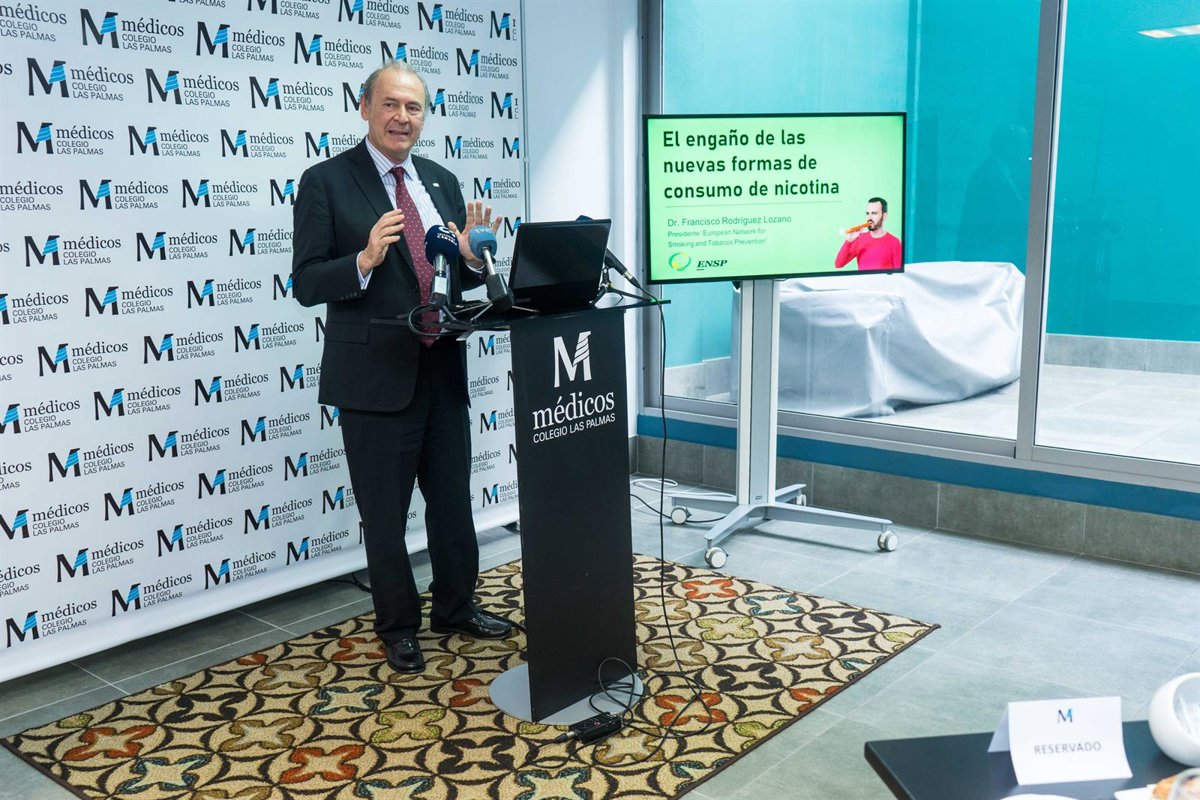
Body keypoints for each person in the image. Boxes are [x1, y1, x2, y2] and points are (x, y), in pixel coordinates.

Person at [291, 61, 511, 675]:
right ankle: (398, 626)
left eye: (413, 107)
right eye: (390, 104)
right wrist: (362, 260)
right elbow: (306, 282)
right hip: (375, 379)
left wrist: (471, 259)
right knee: (385, 517)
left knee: (452, 503)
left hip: (442, 368)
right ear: (365, 108)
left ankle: (457, 607)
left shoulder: (441, 180)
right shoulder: (326, 182)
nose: (401, 117)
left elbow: (454, 274)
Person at [834, 197, 903, 271]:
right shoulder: (859, 239)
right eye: (867, 213)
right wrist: (848, 242)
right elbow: (838, 264)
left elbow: (898, 273)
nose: (869, 218)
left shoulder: (894, 242)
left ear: (884, 216)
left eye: (874, 213)